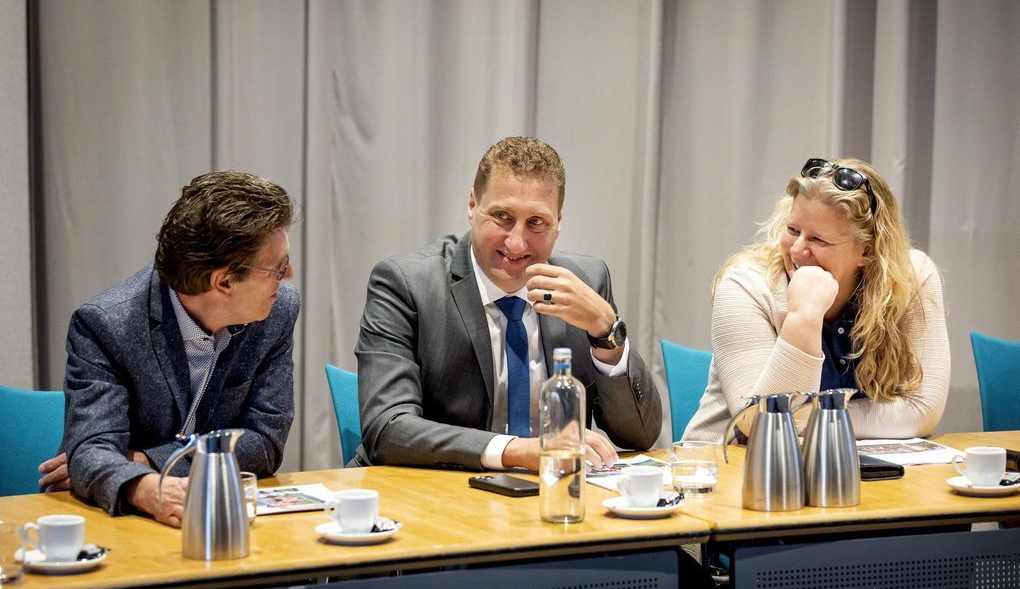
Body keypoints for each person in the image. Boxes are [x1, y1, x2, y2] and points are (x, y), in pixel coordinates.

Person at [352, 136, 661, 471]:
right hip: (433, 497)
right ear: (472, 206)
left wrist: (606, 330)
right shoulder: (406, 284)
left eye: (537, 222)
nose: (517, 242)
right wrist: (520, 451)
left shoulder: (585, 281)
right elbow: (387, 428)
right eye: (502, 216)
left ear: (559, 222)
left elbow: (639, 436)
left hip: (550, 503)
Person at [37, 171, 300, 527]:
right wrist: (144, 488)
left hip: (218, 517)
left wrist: (143, 460)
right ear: (223, 282)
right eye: (278, 267)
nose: (289, 276)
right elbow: (90, 451)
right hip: (119, 522)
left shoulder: (276, 311)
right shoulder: (107, 325)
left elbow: (264, 444)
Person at [684, 157, 950, 443]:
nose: (798, 250)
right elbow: (763, 424)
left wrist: (812, 417)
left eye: (818, 240)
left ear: (867, 251)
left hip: (848, 467)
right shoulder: (747, 285)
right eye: (793, 230)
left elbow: (923, 409)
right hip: (727, 468)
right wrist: (804, 315)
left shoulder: (911, 277)